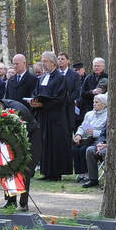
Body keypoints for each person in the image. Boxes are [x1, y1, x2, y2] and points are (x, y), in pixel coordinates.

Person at [0, 97, 37, 208]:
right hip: (7, 140)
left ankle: (23, 203)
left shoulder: (17, 110)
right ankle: (10, 201)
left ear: (0, 111)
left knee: (23, 170)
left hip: (29, 137)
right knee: (5, 166)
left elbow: (23, 130)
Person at [31, 51, 73, 180]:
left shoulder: (60, 78)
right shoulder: (42, 77)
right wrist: (33, 101)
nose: (43, 64)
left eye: (45, 61)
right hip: (43, 117)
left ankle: (56, 173)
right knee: (44, 143)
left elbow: (59, 99)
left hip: (56, 118)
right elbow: (36, 92)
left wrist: (43, 105)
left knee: (55, 144)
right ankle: (46, 171)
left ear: (53, 63)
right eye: (42, 61)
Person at [73, 92, 109, 179]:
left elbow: (105, 132)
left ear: (104, 104)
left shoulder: (108, 115)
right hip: (86, 138)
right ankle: (81, 173)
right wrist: (78, 134)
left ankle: (88, 173)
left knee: (84, 150)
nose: (94, 104)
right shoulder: (89, 114)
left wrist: (93, 132)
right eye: (94, 102)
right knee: (75, 149)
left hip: (97, 140)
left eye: (97, 102)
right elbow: (83, 126)